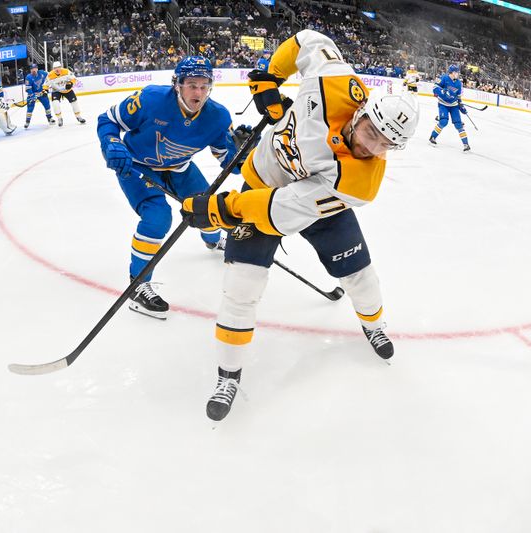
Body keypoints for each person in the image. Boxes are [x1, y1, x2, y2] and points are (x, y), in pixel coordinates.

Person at [179, 30, 420, 421]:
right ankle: (228, 374)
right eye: (370, 132)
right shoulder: (336, 82)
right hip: (262, 178)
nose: (370, 146)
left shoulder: (358, 182)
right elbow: (308, 39)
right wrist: (270, 76)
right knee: (241, 289)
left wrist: (225, 208)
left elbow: (280, 210)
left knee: (361, 275)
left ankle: (374, 325)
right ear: (361, 113)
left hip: (307, 204)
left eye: (383, 145)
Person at [96, 56, 247, 320]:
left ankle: (213, 240)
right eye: (191, 85)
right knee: (157, 217)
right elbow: (108, 120)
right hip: (137, 166)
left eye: (203, 86)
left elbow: (229, 165)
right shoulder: (151, 99)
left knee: (208, 208)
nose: (197, 92)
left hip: (180, 168)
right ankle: (138, 284)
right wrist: (111, 143)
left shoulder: (218, 117)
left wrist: (244, 152)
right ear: (177, 84)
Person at [429, 65, 470, 151]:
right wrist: (442, 91)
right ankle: (432, 137)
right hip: (443, 104)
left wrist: (461, 106)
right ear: (452, 72)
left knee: (459, 124)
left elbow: (458, 97)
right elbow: (435, 88)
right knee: (443, 121)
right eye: (457, 72)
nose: (458, 74)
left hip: (454, 105)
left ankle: (466, 144)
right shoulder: (444, 78)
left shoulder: (459, 83)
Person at [45, 61, 86, 127]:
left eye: (58, 67)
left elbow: (74, 79)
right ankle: (59, 118)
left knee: (74, 103)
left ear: (61, 67)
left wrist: (70, 83)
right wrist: (45, 90)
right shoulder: (50, 75)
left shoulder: (66, 71)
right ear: (53, 69)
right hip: (56, 90)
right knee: (55, 104)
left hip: (67, 90)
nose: (57, 69)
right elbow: (45, 84)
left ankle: (78, 117)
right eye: (55, 68)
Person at [23, 63, 55, 128]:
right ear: (30, 70)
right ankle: (27, 121)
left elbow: (50, 75)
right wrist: (32, 95)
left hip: (42, 93)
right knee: (30, 108)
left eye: (34, 68)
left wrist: (46, 88)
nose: (33, 70)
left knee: (47, 105)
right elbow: (28, 88)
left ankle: (49, 118)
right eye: (32, 69)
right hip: (32, 94)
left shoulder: (42, 73)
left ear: (37, 69)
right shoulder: (28, 77)